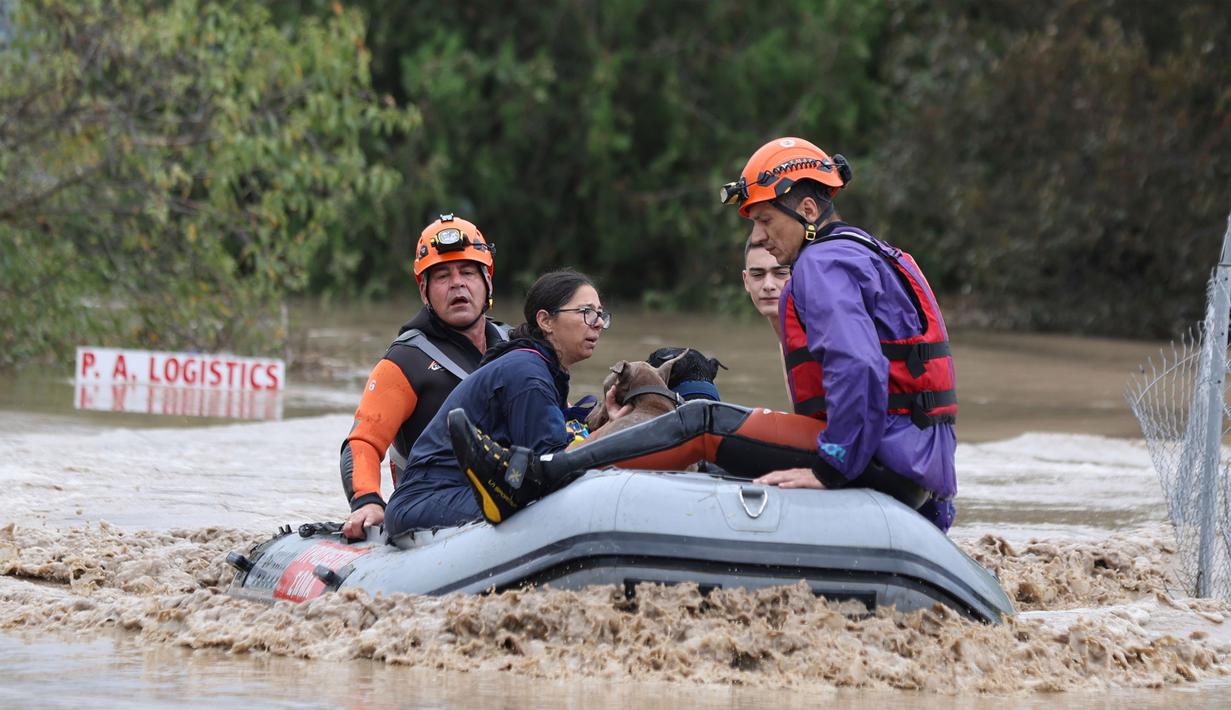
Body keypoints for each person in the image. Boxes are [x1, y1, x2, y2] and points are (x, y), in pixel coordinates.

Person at [452, 137, 957, 532]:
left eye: (764, 219)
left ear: (806, 211)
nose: (758, 236)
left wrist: (832, 468)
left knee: (701, 419)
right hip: (915, 466)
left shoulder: (822, 263)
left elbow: (859, 367)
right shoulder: (873, 253)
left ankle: (534, 478)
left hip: (877, 456)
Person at [383, 269, 619, 536]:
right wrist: (615, 431)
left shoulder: (540, 369)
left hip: (456, 494)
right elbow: (555, 466)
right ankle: (504, 500)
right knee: (543, 502)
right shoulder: (528, 373)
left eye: (600, 314)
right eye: (586, 312)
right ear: (546, 321)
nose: (597, 323)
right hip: (426, 501)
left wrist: (608, 420)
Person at [338, 214, 509, 538]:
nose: (457, 283)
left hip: (513, 494)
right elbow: (363, 442)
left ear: (488, 280)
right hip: (434, 512)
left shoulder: (517, 346)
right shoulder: (405, 362)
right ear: (424, 290)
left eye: (468, 272)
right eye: (442, 275)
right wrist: (367, 501)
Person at [741, 236, 792, 338]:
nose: (768, 285)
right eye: (757, 275)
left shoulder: (818, 340)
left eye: (781, 273)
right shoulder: (787, 343)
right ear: (746, 281)